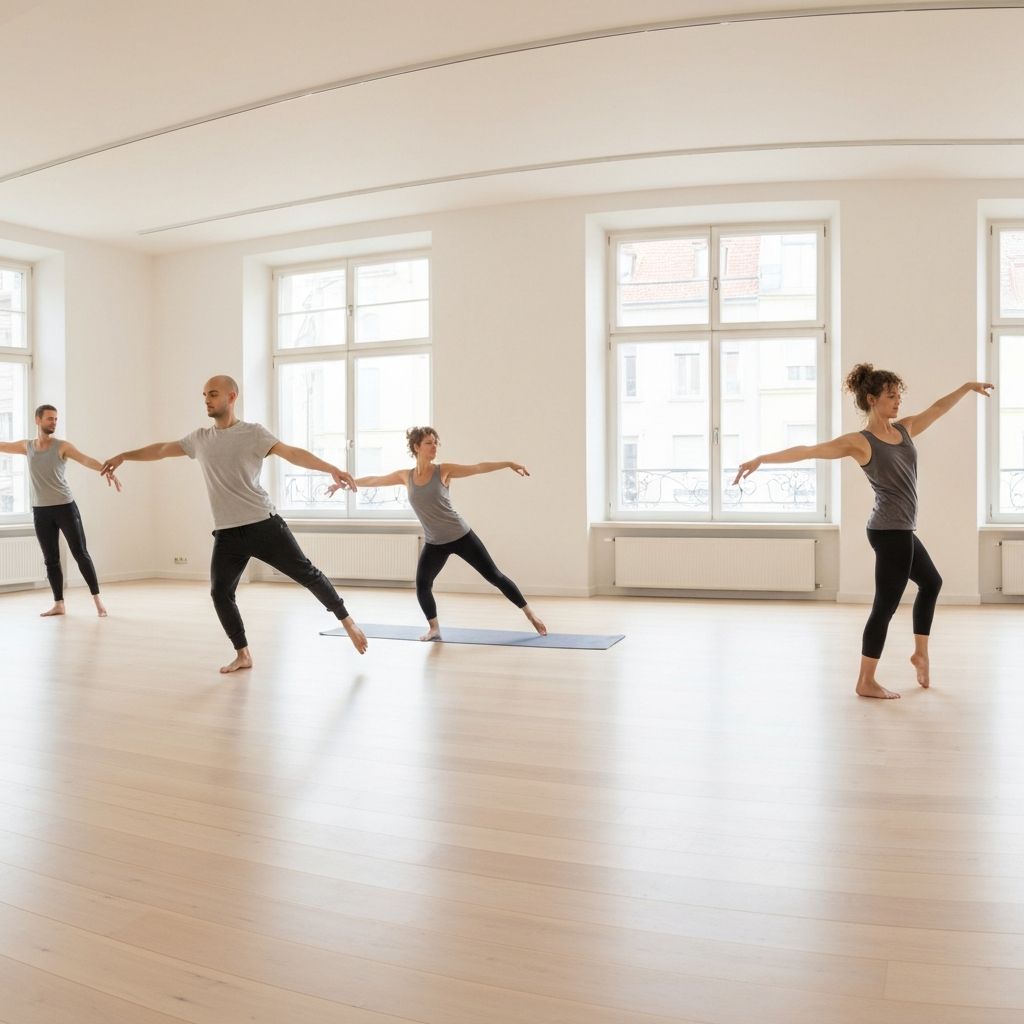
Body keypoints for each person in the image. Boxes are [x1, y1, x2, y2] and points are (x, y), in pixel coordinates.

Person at [733, 365, 992, 699]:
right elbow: (811, 450)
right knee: (885, 606)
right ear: (872, 399)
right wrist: (762, 459)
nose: (897, 402)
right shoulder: (860, 442)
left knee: (931, 582)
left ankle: (920, 653)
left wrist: (966, 386)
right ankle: (865, 681)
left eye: (899, 396)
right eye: (890, 396)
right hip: (888, 531)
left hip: (900, 529)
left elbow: (937, 409)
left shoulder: (906, 429)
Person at [100, 375, 367, 672]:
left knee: (307, 574)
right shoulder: (200, 439)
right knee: (220, 593)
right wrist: (124, 456)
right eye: (204, 395)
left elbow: (291, 453)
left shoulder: (253, 433)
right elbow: (162, 450)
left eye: (213, 394)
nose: (207, 400)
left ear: (232, 397)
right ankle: (243, 653)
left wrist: (331, 468)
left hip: (263, 524)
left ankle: (349, 623)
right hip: (227, 533)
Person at [335, 426, 546, 641]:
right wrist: (345, 482)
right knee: (423, 585)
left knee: (494, 576)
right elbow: (374, 480)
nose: (434, 446)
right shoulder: (405, 476)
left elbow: (478, 467)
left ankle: (531, 615)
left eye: (436, 442)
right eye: (429, 443)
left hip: (461, 536)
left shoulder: (443, 470)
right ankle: (434, 628)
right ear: (416, 447)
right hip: (435, 542)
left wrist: (509, 464)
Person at [0, 404, 121, 617]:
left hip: (65, 507)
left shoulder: (62, 446)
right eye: (49, 419)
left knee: (80, 553)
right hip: (41, 511)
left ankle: (98, 601)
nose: (54, 422)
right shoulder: (27, 446)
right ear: (37, 420)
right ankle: (59, 604)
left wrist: (106, 470)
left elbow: (85, 459)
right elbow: (3, 445)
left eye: (55, 419)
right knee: (50, 559)